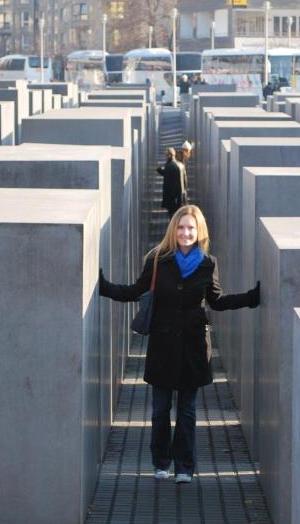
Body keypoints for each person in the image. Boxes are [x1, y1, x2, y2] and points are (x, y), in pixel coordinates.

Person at [99, 205, 260, 483]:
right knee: (160, 409)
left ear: (200, 232)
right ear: (174, 229)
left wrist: (250, 297)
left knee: (187, 411)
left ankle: (184, 467)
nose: (186, 233)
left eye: (191, 228)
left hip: (194, 346)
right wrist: (105, 287)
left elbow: (217, 301)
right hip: (162, 345)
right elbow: (135, 291)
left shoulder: (208, 263)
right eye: (181, 227)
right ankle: (161, 461)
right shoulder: (157, 259)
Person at [156, 147, 186, 218]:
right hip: (181, 196)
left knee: (172, 217)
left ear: (169, 155)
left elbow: (166, 174)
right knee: (180, 216)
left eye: (166, 155)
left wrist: (158, 169)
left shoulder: (168, 166)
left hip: (171, 197)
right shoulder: (181, 165)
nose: (165, 157)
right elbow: (185, 181)